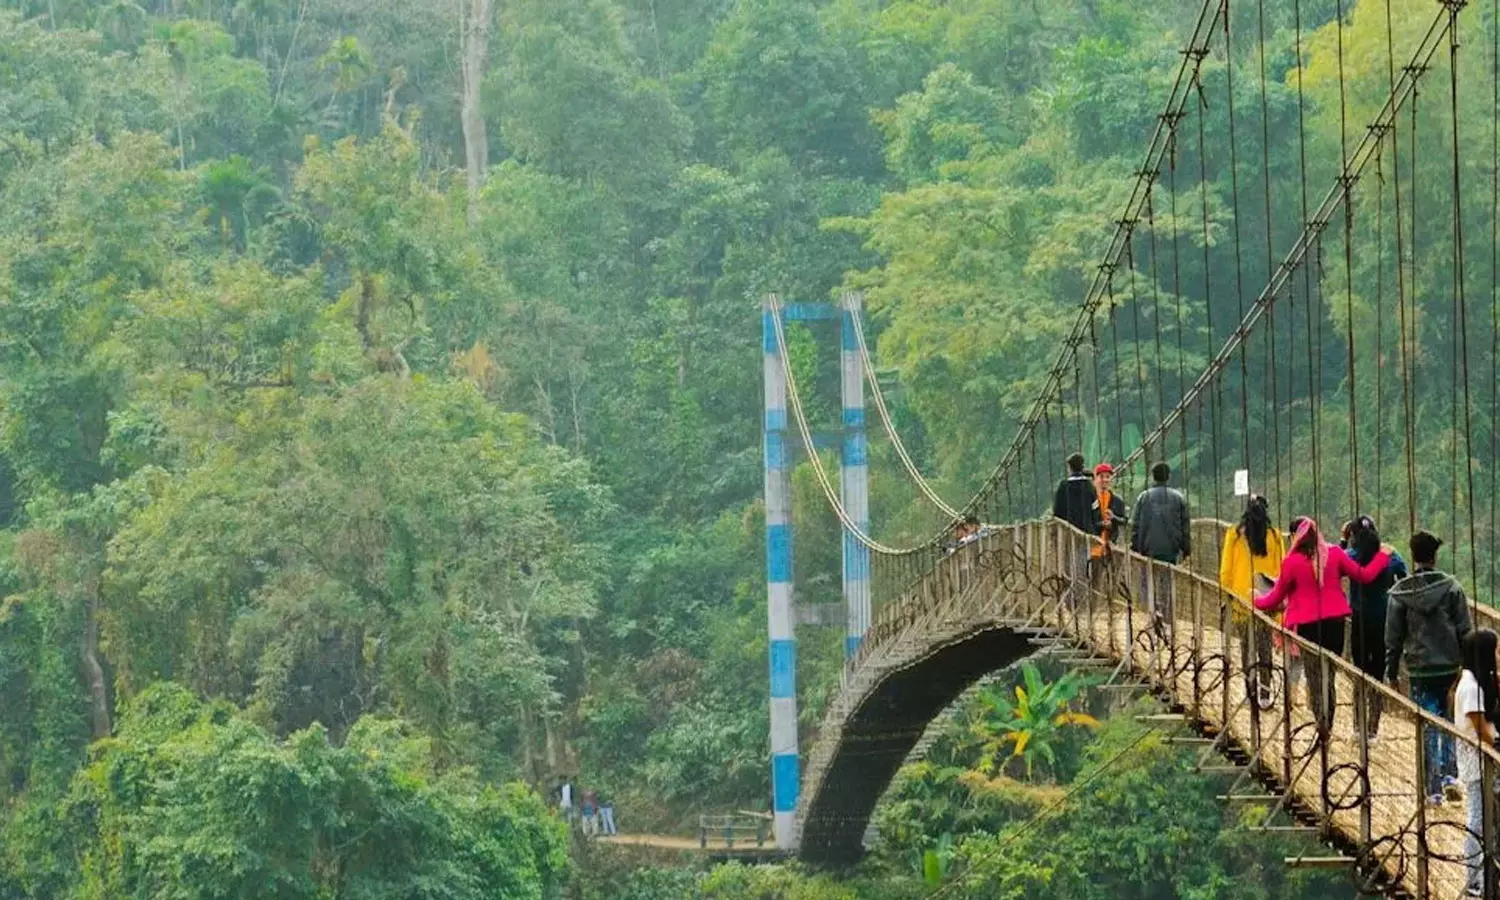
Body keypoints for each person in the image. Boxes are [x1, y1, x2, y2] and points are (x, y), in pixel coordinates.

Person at [1255, 518, 1392, 737]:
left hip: (1308, 627)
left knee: (1314, 674)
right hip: (1335, 625)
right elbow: (1364, 575)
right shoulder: (1335, 554)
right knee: (1329, 674)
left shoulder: (1291, 562)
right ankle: (1328, 718)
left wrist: (1255, 601)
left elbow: (1274, 598)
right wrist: (1384, 555)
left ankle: (1322, 722)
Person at [1386, 530, 1473, 805]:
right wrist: (1468, 667)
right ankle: (1450, 775)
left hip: (1420, 669)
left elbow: (1393, 637)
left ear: (1412, 555)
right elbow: (1465, 630)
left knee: (1427, 725)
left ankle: (1432, 789)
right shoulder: (1452, 588)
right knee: (1449, 720)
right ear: (1434, 555)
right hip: (1450, 668)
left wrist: (1391, 672)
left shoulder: (1402, 594)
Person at [1344, 516, 1407, 742]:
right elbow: (1404, 577)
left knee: (1359, 673)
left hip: (1359, 621)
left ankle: (1357, 727)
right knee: (1377, 674)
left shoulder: (1351, 556)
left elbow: (1335, 565)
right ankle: (1372, 730)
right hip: (1384, 621)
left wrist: (1343, 542)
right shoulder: (1391, 556)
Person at [1219, 495, 1285, 710]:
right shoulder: (1275, 537)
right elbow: (1281, 570)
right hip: (1266, 601)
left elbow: (1226, 569)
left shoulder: (1235, 535)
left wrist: (1226, 592)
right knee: (1265, 648)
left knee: (1247, 647)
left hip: (1241, 600)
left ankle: (1250, 692)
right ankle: (1265, 695)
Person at [1457, 628, 1499, 896]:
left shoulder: (1471, 680)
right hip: (1477, 761)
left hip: (1479, 760)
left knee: (1487, 815)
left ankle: (1486, 874)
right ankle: (1474, 878)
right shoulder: (1471, 687)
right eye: (1494, 650)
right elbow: (1482, 730)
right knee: (1478, 816)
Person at [1131, 462, 1191, 627]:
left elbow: (1135, 525)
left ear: (1153, 477)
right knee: (1167, 583)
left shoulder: (1143, 497)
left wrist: (1134, 547)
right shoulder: (1178, 498)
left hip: (1147, 550)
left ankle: (1153, 613)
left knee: (1146, 583)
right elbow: (1185, 526)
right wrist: (1186, 550)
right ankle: (1167, 618)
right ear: (1168, 477)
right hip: (1170, 551)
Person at [1053, 452, 1101, 605]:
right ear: (1082, 466)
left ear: (1069, 468)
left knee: (1068, 566)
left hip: (1067, 534)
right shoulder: (1089, 487)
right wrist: (1096, 528)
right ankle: (1082, 599)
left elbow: (1057, 513)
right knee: (1083, 566)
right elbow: (1096, 510)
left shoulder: (1063, 486)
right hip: (1086, 534)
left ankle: (1071, 599)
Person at [1090, 463, 1128, 585]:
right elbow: (1087, 520)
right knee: (1094, 582)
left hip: (1112, 548)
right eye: (1102, 477)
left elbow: (1124, 521)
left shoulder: (1117, 501)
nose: (1105, 480)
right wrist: (1101, 524)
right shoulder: (1090, 498)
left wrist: (1114, 519)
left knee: (1112, 583)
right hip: (1093, 549)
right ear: (1095, 479)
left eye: (1108, 477)